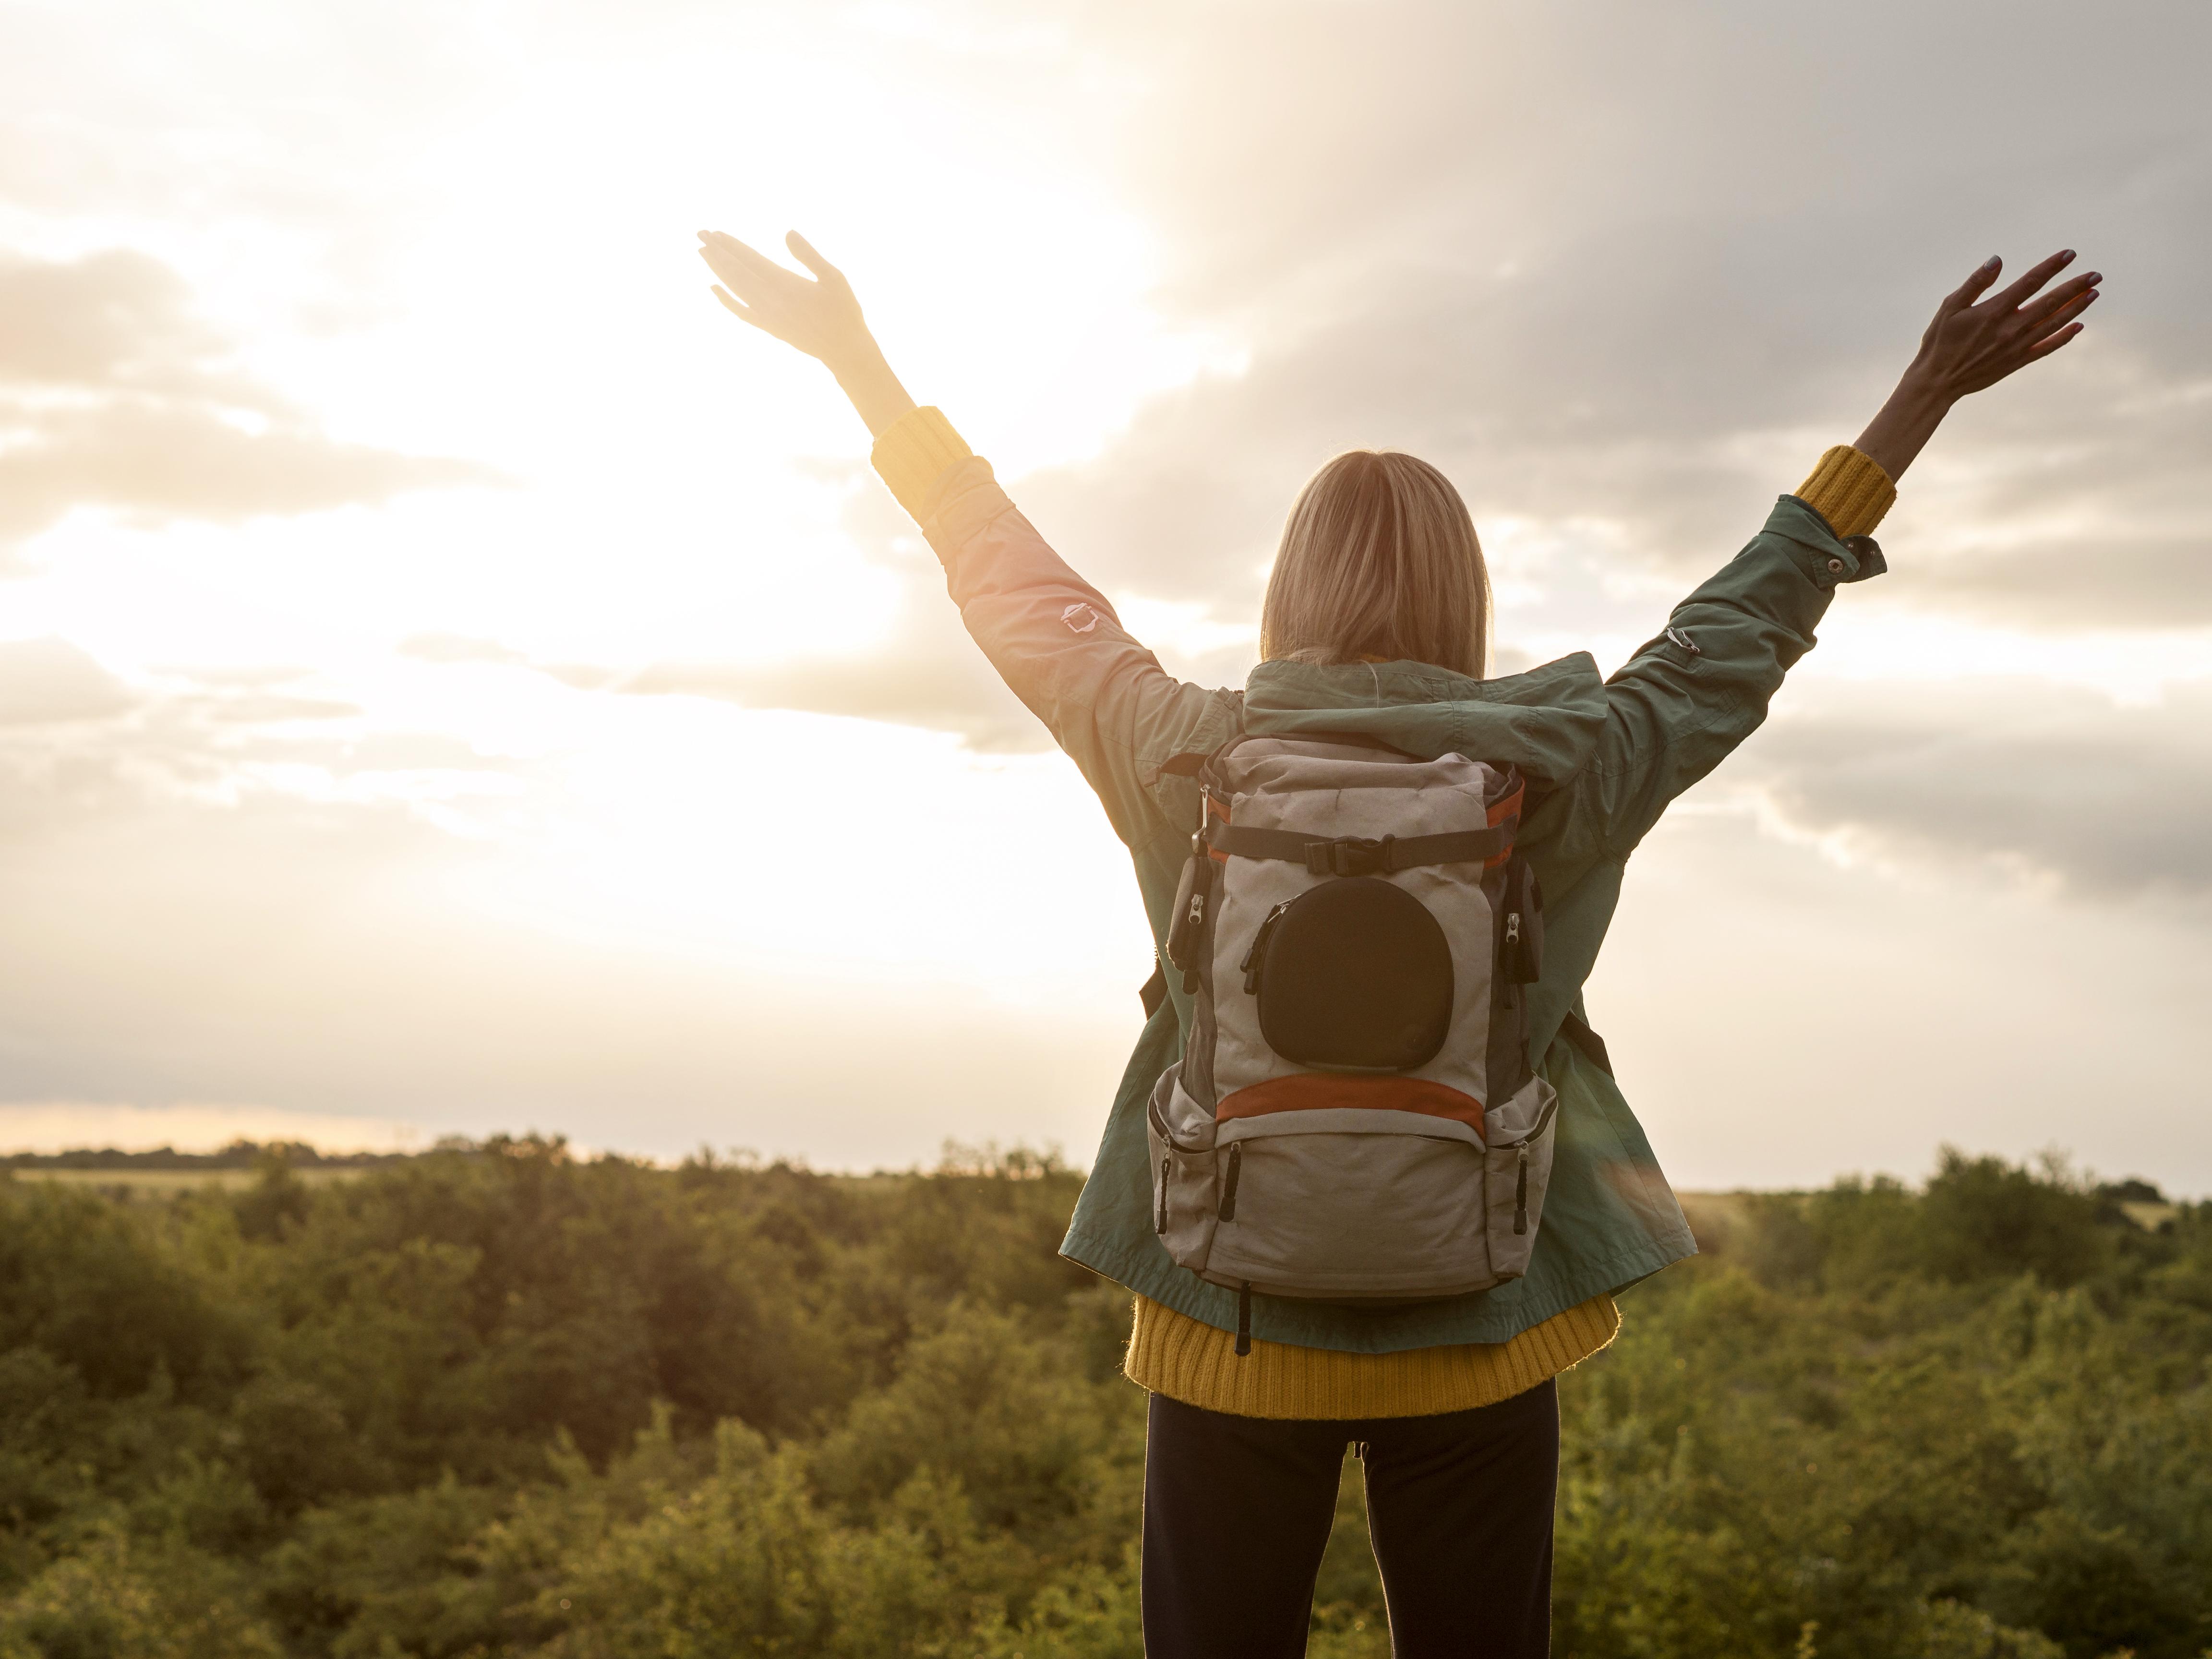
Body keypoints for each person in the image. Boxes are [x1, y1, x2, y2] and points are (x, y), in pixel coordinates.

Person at [693, 226, 2099, 1658]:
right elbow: (1742, 624)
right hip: (1483, 1316)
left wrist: (861, 370)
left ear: (1285, 590)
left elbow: (1015, 585)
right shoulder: (1573, 764)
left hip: (1226, 1316)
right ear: (1465, 595)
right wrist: (1919, 398)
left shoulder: (1180, 751)